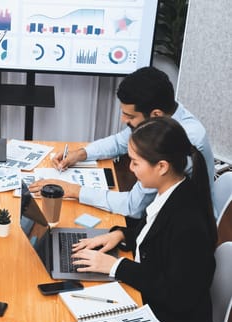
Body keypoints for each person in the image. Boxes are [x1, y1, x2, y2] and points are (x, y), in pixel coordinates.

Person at [70, 117, 218, 322]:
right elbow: (156, 232)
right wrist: (121, 235)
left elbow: (178, 295)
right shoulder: (175, 191)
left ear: (161, 166)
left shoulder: (189, 223)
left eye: (136, 163)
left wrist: (115, 266)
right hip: (153, 305)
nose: (130, 168)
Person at [30, 66, 215, 220]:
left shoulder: (175, 141)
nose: (122, 119)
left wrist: (73, 190)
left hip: (176, 231)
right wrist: (80, 153)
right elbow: (119, 142)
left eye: (129, 116)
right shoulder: (167, 114)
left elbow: (132, 206)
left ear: (155, 115)